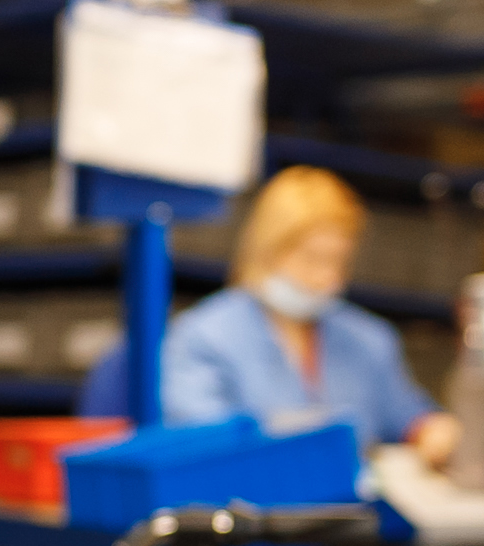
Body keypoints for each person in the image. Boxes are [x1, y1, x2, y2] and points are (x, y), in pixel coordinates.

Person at [157, 164, 459, 463]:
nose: (326, 278)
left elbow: (408, 416)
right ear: (267, 250)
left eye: (338, 262)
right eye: (312, 259)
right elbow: (203, 447)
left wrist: (433, 431)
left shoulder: (367, 340)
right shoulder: (203, 338)